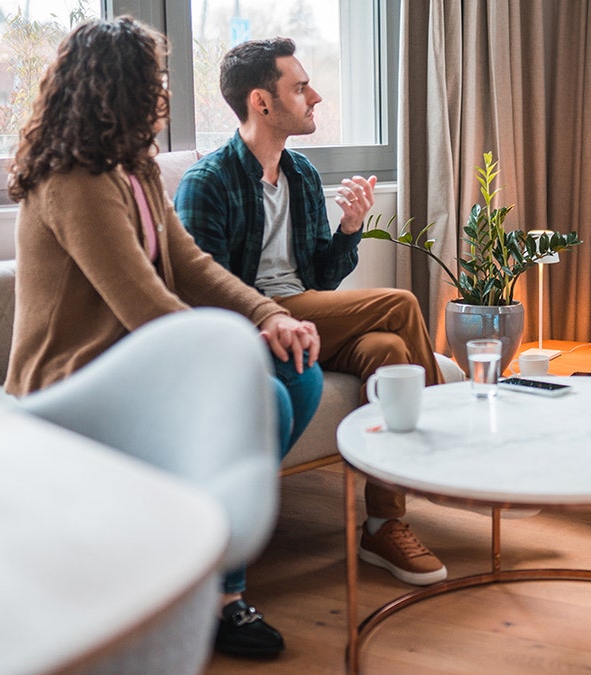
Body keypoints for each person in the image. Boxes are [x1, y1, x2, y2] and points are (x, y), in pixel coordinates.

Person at [4, 17, 322, 660]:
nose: (163, 95)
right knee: (269, 399)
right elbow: (143, 304)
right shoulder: (73, 180)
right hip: (73, 380)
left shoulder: (135, 168)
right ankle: (219, 593)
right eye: (154, 81)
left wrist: (267, 317)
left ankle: (195, 568)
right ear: (118, 89)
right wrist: (225, 356)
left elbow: (194, 268)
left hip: (132, 361)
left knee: (299, 372)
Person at [174, 38, 449, 587]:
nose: (316, 96)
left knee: (389, 351)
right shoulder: (207, 184)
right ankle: (451, 451)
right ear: (262, 102)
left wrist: (350, 229)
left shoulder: (298, 173)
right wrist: (269, 313)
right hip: (257, 324)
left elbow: (322, 278)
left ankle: (383, 524)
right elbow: (205, 295)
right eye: (300, 88)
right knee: (400, 303)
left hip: (308, 314)